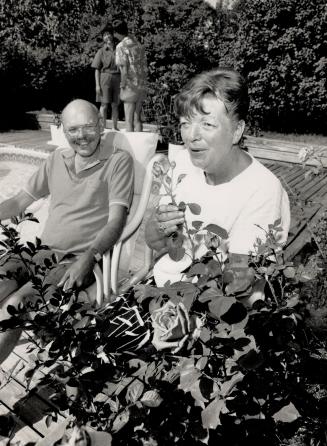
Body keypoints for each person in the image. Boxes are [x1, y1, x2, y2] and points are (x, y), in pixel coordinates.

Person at [0, 99, 134, 362]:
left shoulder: (119, 161)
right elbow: (19, 201)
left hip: (75, 259)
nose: (81, 136)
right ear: (63, 130)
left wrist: (89, 257)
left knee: (14, 306)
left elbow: (116, 221)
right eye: (73, 129)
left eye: (87, 127)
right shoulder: (55, 160)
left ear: (100, 125)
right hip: (39, 252)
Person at [145, 68, 291, 289]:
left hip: (213, 304)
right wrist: (161, 226)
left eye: (207, 124)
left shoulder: (262, 190)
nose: (191, 136)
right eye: (185, 123)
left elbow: (240, 283)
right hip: (166, 286)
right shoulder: (182, 164)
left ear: (236, 130)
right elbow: (155, 243)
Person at [113, 19, 147, 132]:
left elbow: (123, 68)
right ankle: (140, 147)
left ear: (117, 32)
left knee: (128, 119)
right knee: (137, 119)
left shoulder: (120, 46)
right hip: (141, 83)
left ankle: (132, 149)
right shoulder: (138, 44)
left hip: (129, 84)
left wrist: (122, 85)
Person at [91, 29, 121, 130]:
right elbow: (96, 69)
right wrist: (97, 85)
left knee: (115, 104)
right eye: (105, 35)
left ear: (112, 35)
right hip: (105, 78)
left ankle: (115, 127)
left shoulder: (119, 49)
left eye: (108, 34)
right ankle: (102, 127)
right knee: (104, 104)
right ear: (103, 38)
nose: (107, 36)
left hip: (117, 77)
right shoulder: (101, 51)